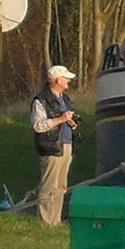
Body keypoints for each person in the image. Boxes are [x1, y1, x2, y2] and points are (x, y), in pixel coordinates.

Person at [30, 66, 76, 228]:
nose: (69, 80)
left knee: (61, 186)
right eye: (66, 78)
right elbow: (38, 125)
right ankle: (45, 221)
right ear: (57, 80)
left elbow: (67, 119)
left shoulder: (66, 99)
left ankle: (55, 221)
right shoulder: (40, 101)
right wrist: (61, 119)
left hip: (66, 145)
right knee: (49, 186)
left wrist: (72, 122)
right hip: (51, 146)